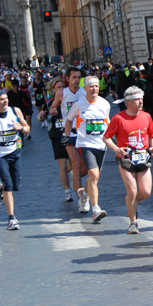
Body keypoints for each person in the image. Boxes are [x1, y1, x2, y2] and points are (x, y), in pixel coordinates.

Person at [103, 86, 153, 234]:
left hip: (143, 157)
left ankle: (130, 203)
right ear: (128, 102)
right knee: (132, 190)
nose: (140, 102)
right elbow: (106, 137)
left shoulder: (146, 116)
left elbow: (152, 135)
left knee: (146, 192)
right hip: (126, 159)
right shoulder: (118, 118)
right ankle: (133, 222)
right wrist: (116, 150)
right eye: (136, 99)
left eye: (141, 99)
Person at [64, 76, 111, 223]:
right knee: (93, 173)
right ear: (85, 89)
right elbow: (68, 119)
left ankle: (84, 193)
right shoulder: (79, 104)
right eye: (91, 86)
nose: (94, 89)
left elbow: (107, 121)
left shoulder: (105, 104)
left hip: (101, 144)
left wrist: (111, 137)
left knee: (94, 178)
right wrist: (66, 136)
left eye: (96, 86)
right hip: (85, 143)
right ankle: (95, 209)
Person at [0, 90, 31, 230]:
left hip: (15, 152)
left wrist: (21, 127)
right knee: (9, 184)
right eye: (1, 99)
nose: (5, 101)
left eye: (6, 98)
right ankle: (12, 219)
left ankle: (1, 188)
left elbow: (27, 128)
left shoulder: (15, 111)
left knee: (15, 185)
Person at [50, 67, 88, 212]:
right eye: (74, 77)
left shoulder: (84, 92)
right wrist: (53, 110)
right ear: (68, 78)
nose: (76, 80)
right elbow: (53, 108)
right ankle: (81, 201)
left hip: (84, 133)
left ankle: (75, 179)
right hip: (70, 133)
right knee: (76, 165)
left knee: (85, 169)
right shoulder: (61, 93)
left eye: (79, 77)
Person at [45, 78, 73, 202]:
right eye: (58, 87)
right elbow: (44, 114)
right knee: (63, 165)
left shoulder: (71, 100)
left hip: (70, 135)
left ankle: (74, 179)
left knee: (72, 165)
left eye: (63, 87)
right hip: (57, 136)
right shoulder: (50, 102)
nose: (61, 89)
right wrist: (42, 115)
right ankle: (67, 191)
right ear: (53, 90)